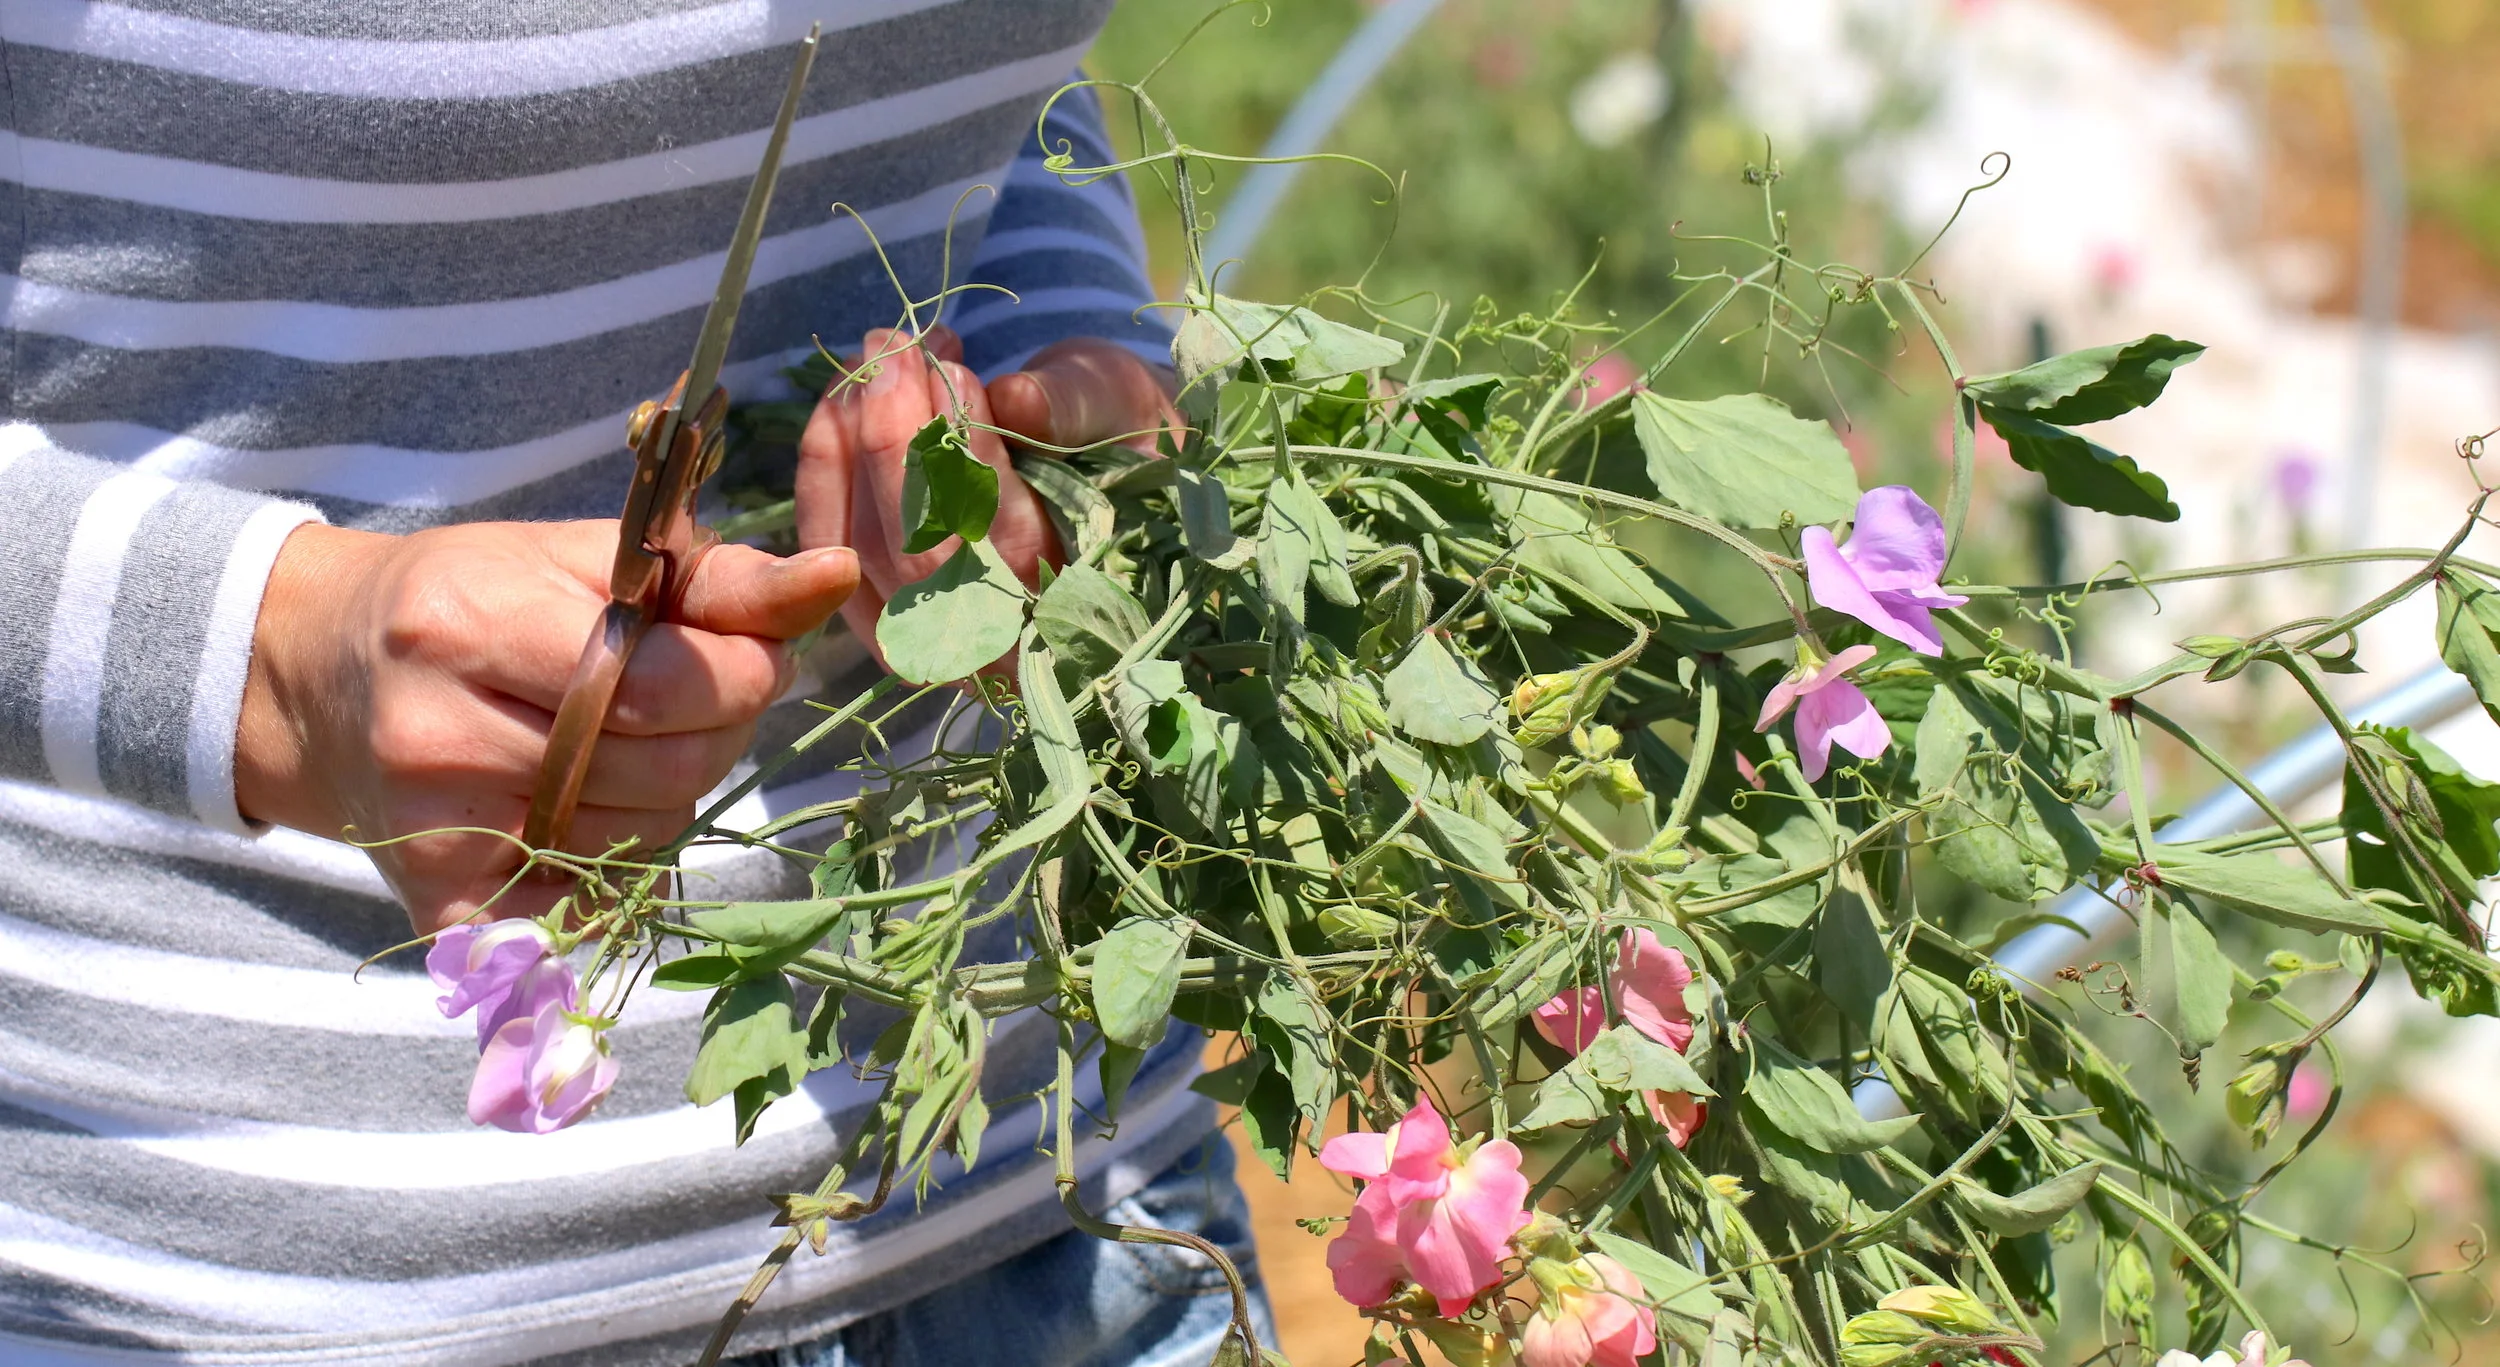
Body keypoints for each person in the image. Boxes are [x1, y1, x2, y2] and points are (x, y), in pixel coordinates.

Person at [0, 4, 1265, 1364]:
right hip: (272, 1277)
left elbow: (958, 92)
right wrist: (272, 652)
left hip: (1061, 1209)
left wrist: (1055, 354)